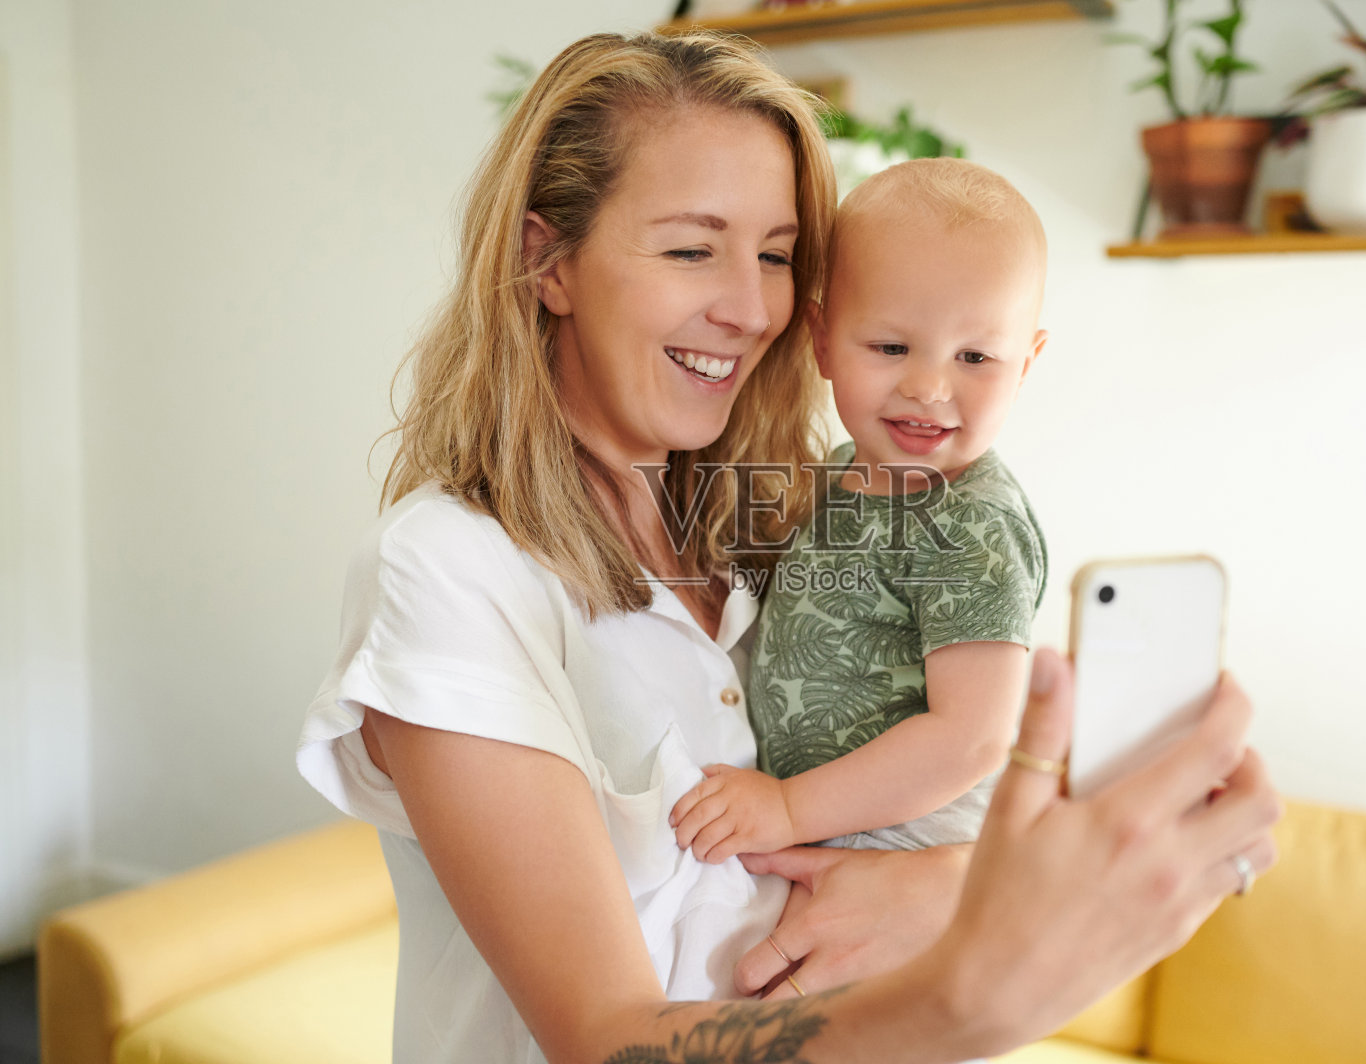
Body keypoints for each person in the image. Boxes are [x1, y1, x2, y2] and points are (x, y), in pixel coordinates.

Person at [295, 29, 1282, 1064]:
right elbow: (604, 1040)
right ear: (548, 263)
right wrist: (969, 993)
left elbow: (945, 768)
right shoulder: (448, 570)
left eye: (775, 256)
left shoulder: (791, 524)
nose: (751, 307)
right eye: (692, 249)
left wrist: (944, 887)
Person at [669, 158, 1050, 861]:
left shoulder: (973, 525)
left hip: (905, 839)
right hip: (820, 825)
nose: (930, 387)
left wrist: (789, 807)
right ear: (822, 341)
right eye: (891, 347)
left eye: (975, 357)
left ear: (1025, 364)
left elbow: (972, 737)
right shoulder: (838, 471)